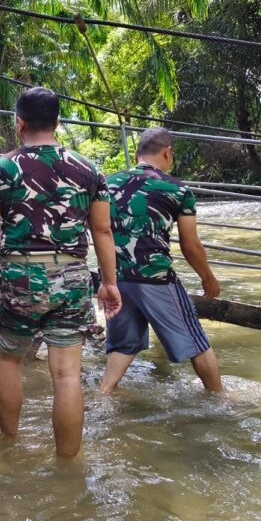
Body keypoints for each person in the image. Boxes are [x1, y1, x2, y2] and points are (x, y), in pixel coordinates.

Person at [0, 87, 122, 457]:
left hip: (19, 278)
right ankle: (68, 466)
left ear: (19, 123)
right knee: (67, 376)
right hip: (71, 278)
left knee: (9, 360)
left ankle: (8, 447)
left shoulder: (1, 168)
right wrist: (110, 283)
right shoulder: (89, 169)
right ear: (57, 122)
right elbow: (102, 230)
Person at [99, 127, 223, 393]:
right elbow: (190, 245)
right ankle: (220, 398)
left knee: (124, 343)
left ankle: (104, 393)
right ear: (168, 153)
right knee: (196, 340)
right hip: (154, 276)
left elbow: (98, 229)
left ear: (136, 154)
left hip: (115, 277)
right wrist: (208, 278)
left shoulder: (107, 184)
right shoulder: (178, 189)